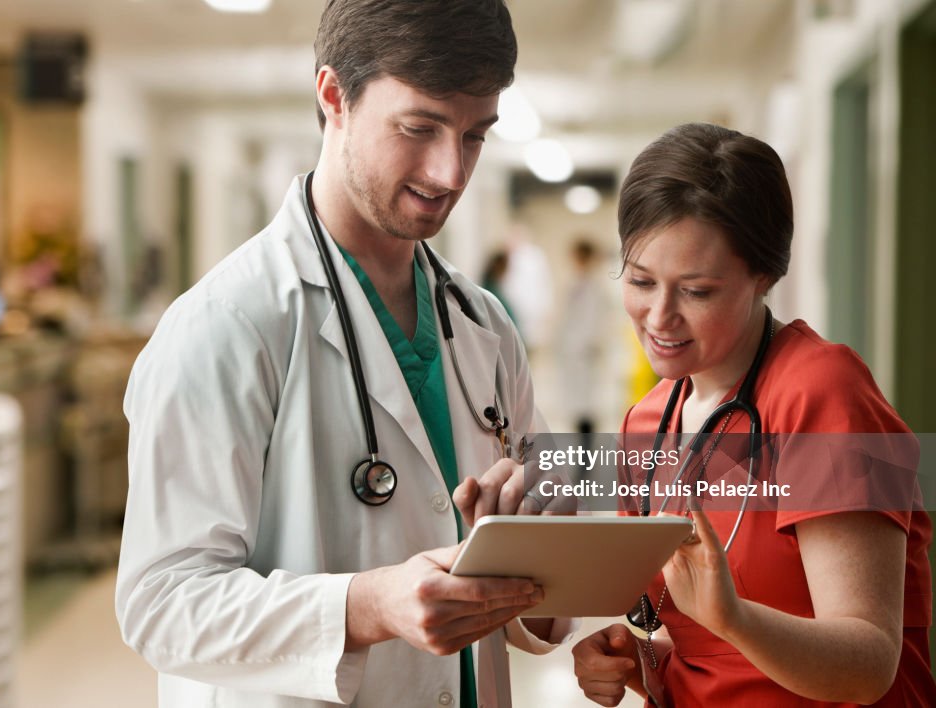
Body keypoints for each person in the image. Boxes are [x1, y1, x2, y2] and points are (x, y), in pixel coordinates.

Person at [115, 2, 571, 707]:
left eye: (475, 136)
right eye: (419, 128)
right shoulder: (225, 327)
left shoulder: (483, 326)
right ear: (334, 97)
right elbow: (160, 605)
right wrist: (367, 607)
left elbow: (536, 573)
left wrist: (536, 561)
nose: (449, 172)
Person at [572, 123, 935, 706]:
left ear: (763, 275)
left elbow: (869, 663)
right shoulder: (647, 423)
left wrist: (736, 619)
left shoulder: (822, 394)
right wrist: (639, 661)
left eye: (697, 291)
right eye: (641, 281)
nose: (659, 317)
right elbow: (706, 653)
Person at [554, 238, 609, 434]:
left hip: (584, 351)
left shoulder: (591, 286)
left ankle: (585, 452)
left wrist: (585, 344)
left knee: (585, 400)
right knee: (577, 400)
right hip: (573, 350)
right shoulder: (576, 283)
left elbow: (592, 320)